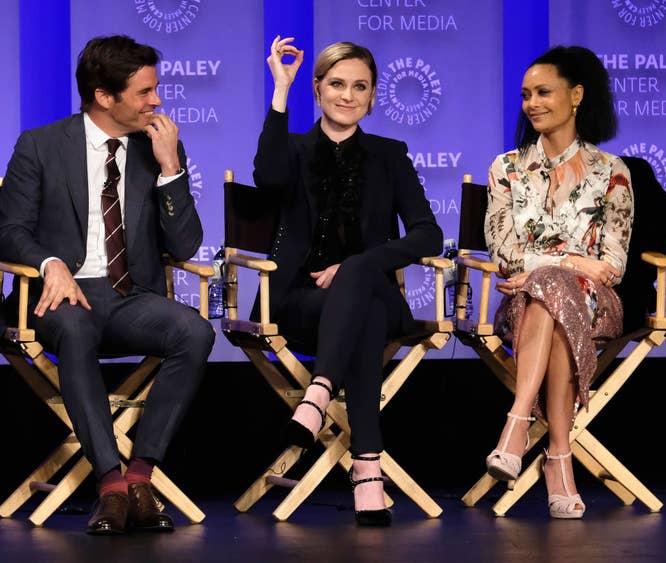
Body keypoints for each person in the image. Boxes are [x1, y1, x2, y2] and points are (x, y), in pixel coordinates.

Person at [0, 35, 215, 534]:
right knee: (76, 329)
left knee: (195, 332)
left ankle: (140, 476)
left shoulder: (160, 146)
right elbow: (8, 231)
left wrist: (169, 168)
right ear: (103, 95)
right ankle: (110, 484)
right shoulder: (41, 144)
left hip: (130, 296)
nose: (156, 101)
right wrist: (48, 261)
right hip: (55, 296)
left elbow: (184, 246)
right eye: (144, 92)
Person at [253, 36, 442, 527]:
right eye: (336, 84)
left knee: (360, 280)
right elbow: (267, 179)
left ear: (374, 95)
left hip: (370, 289)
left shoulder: (389, 155)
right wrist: (280, 91)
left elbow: (429, 234)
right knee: (368, 320)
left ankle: (318, 394)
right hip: (300, 301)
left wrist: (356, 266)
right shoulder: (293, 151)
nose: (347, 95)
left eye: (360, 86)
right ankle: (368, 469)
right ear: (317, 90)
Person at [483, 45, 633, 519]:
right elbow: (502, 253)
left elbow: (612, 263)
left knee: (551, 284)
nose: (532, 103)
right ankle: (559, 460)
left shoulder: (613, 173)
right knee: (548, 293)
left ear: (577, 95)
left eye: (543, 92)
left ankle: (517, 423)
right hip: (522, 304)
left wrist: (556, 264)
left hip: (597, 306)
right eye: (526, 94)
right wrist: (569, 265)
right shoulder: (505, 168)